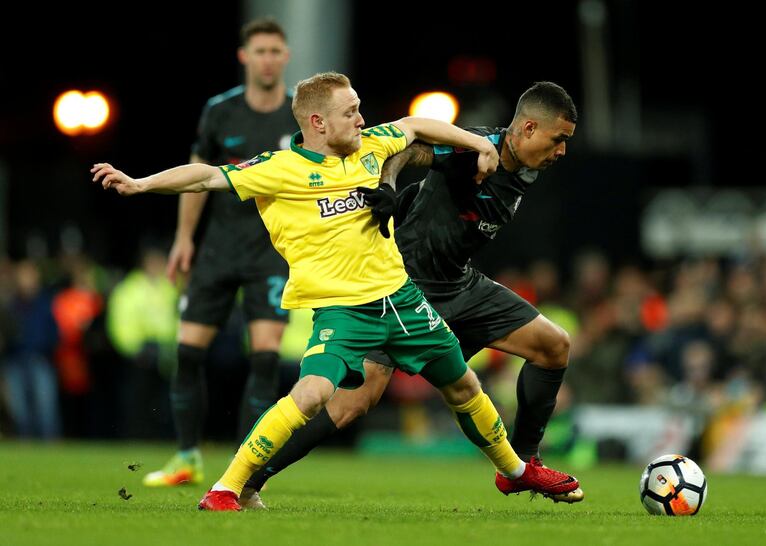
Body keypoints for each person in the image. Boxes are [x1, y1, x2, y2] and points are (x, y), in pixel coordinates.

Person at [92, 71, 576, 512]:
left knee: (493, 372)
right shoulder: (282, 168)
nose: (362, 119)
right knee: (331, 400)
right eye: (351, 111)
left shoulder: (372, 147)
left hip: (416, 294)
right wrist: (140, 184)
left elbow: (410, 123)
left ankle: (519, 469)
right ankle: (234, 484)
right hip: (361, 304)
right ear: (319, 122)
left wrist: (472, 142)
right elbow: (206, 175)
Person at [242, 82, 584, 504]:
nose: (562, 151)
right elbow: (409, 147)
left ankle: (525, 465)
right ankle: (249, 479)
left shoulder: (528, 166)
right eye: (559, 139)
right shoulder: (473, 149)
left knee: (554, 345)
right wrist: (386, 184)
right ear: (528, 128)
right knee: (353, 402)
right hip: (403, 286)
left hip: (460, 283)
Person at [142, 18, 298, 487]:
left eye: (275, 50)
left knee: (265, 358)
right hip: (217, 250)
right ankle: (186, 456)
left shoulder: (299, 116)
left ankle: (243, 469)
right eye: (260, 50)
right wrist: (184, 239)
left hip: (271, 251)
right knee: (188, 353)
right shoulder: (220, 112)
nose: (268, 58)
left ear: (285, 56)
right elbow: (196, 180)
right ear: (244, 57)